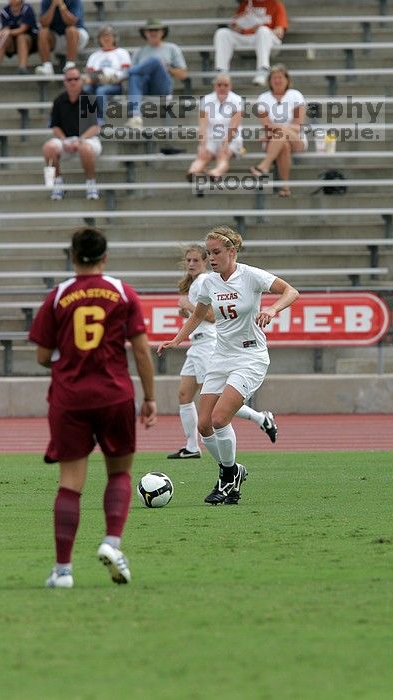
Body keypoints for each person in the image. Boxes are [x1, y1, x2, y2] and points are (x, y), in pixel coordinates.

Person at [28, 227, 157, 589]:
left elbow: (41, 356)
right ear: (105, 257)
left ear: (71, 256)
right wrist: (149, 397)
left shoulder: (58, 296)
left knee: (70, 485)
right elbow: (142, 351)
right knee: (119, 474)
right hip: (114, 395)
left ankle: (63, 571)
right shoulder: (121, 291)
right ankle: (112, 543)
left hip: (69, 399)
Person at [158, 226, 299, 505]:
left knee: (220, 418)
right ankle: (233, 473)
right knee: (203, 425)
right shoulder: (210, 282)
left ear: (232, 252)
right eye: (209, 253)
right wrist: (176, 340)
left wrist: (271, 310)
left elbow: (291, 292)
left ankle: (227, 477)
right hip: (221, 356)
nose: (211, 258)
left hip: (250, 357)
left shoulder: (250, 275)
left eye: (216, 252)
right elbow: (198, 314)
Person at [168, 243, 278, 460]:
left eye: (196, 260)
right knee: (184, 395)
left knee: (217, 407)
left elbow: (209, 317)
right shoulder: (200, 283)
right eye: (188, 260)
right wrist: (184, 319)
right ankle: (192, 446)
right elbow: (199, 316)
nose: (191, 264)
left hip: (209, 345)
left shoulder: (206, 281)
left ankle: (259, 419)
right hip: (196, 345)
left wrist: (188, 307)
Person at [43, 65, 102, 201]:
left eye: (76, 79)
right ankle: (56, 183)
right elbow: (55, 126)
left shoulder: (89, 99)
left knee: (85, 148)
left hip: (88, 138)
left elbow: (95, 127)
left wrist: (80, 140)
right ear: (65, 82)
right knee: (48, 148)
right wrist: (64, 140)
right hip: (66, 139)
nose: (73, 82)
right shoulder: (59, 101)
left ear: (81, 81)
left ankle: (91, 184)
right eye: (69, 79)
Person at [250, 64, 307, 197]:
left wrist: (278, 129)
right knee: (284, 146)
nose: (278, 80)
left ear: (287, 80)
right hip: (275, 139)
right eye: (274, 78)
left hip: (295, 137)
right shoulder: (263, 98)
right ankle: (285, 187)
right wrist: (276, 130)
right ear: (270, 81)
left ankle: (264, 165)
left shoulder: (295, 95)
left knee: (281, 134)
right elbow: (266, 125)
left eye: (281, 77)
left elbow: (298, 125)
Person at [124, 17, 188, 129]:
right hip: (144, 87)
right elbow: (134, 75)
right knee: (134, 76)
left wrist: (167, 68)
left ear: (162, 32)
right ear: (145, 33)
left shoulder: (172, 48)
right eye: (150, 30)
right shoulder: (139, 52)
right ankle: (135, 116)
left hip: (161, 87)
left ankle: (122, 74)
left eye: (156, 30)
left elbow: (183, 74)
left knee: (155, 61)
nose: (153, 33)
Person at [214, 0, 287, 86]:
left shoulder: (276, 4)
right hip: (248, 38)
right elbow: (235, 26)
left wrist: (260, 28)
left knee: (263, 31)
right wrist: (239, 24)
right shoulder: (246, 3)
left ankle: (262, 71)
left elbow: (279, 32)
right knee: (222, 33)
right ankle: (221, 73)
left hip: (268, 41)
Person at [187, 73, 244, 181]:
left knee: (223, 155)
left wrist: (226, 143)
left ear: (230, 86)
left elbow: (234, 126)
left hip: (232, 139)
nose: (222, 88)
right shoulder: (206, 100)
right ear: (214, 86)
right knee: (203, 155)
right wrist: (202, 145)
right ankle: (193, 172)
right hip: (211, 138)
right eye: (219, 85)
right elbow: (202, 125)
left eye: (225, 85)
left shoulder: (237, 100)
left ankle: (215, 173)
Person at [83, 25, 131, 120]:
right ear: (99, 39)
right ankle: (88, 120)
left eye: (109, 35)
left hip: (116, 85)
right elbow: (89, 74)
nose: (106, 38)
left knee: (101, 91)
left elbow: (126, 72)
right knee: (86, 90)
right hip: (96, 83)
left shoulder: (122, 53)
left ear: (114, 38)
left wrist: (112, 78)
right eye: (103, 36)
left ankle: (101, 119)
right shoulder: (94, 56)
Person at [35, 0, 89, 75]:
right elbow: (44, 23)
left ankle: (70, 65)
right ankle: (47, 67)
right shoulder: (46, 1)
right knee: (42, 32)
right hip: (56, 38)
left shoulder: (75, 1)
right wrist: (53, 6)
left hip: (77, 37)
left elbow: (71, 22)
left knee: (71, 30)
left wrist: (61, 6)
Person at [0, 1, 38, 73]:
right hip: (12, 43)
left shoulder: (27, 9)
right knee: (3, 37)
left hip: (30, 42)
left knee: (21, 38)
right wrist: (3, 33)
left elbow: (23, 29)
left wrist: (8, 32)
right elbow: (5, 28)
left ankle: (22, 68)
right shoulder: (5, 10)